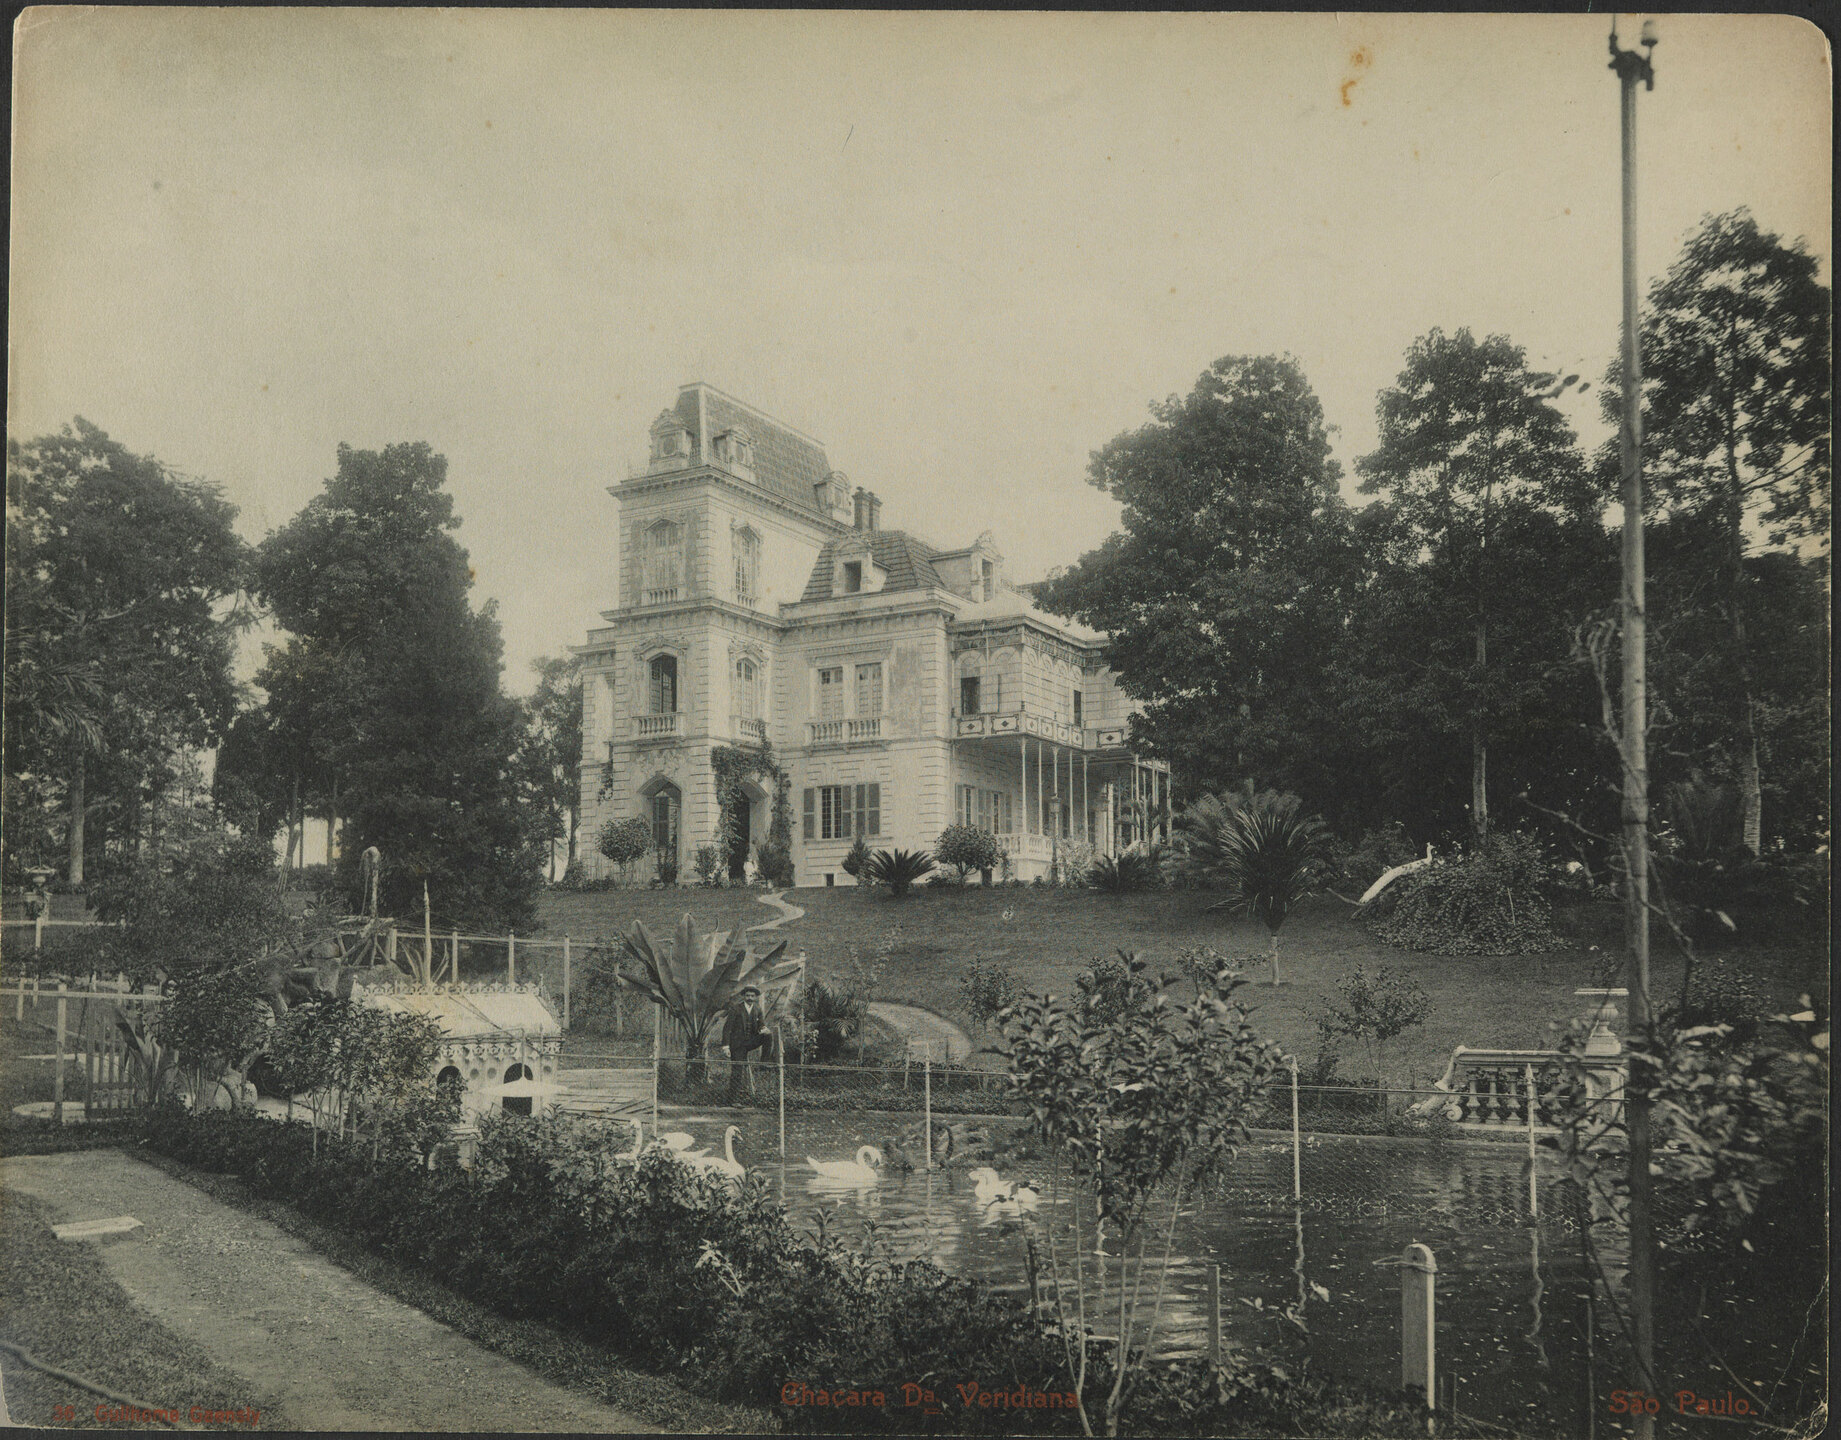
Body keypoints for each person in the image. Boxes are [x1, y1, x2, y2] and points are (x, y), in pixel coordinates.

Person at [722, 986, 772, 1101]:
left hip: (750, 1041)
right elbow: (727, 1028)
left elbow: (761, 1025)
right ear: (744, 996)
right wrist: (726, 1047)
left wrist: (764, 1029)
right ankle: (733, 1100)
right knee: (737, 1071)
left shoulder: (757, 1009)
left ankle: (764, 1063)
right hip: (738, 1045)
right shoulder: (736, 1009)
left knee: (768, 1035)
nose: (750, 998)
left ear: (755, 997)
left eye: (752, 996)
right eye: (748, 995)